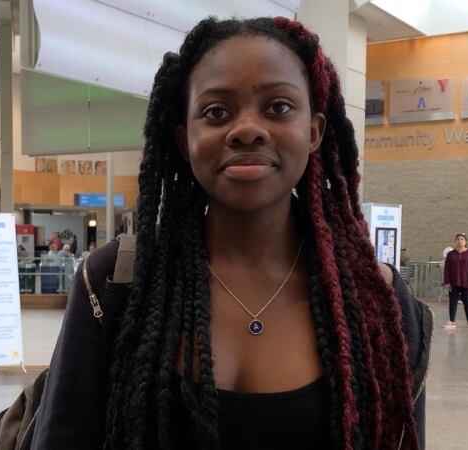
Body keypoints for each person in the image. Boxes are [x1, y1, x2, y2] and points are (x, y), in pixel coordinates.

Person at [31, 17, 429, 450]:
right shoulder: (117, 283)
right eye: (216, 112)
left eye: (278, 107)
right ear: (185, 140)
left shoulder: (377, 300)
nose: (246, 129)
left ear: (313, 132)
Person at [443, 233, 468, 329]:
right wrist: (446, 282)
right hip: (453, 282)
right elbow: (446, 269)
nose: (460, 241)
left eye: (462, 239)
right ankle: (452, 321)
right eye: (458, 239)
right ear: (455, 241)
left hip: (466, 282)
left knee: (467, 302)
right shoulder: (451, 255)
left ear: (465, 241)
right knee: (453, 302)